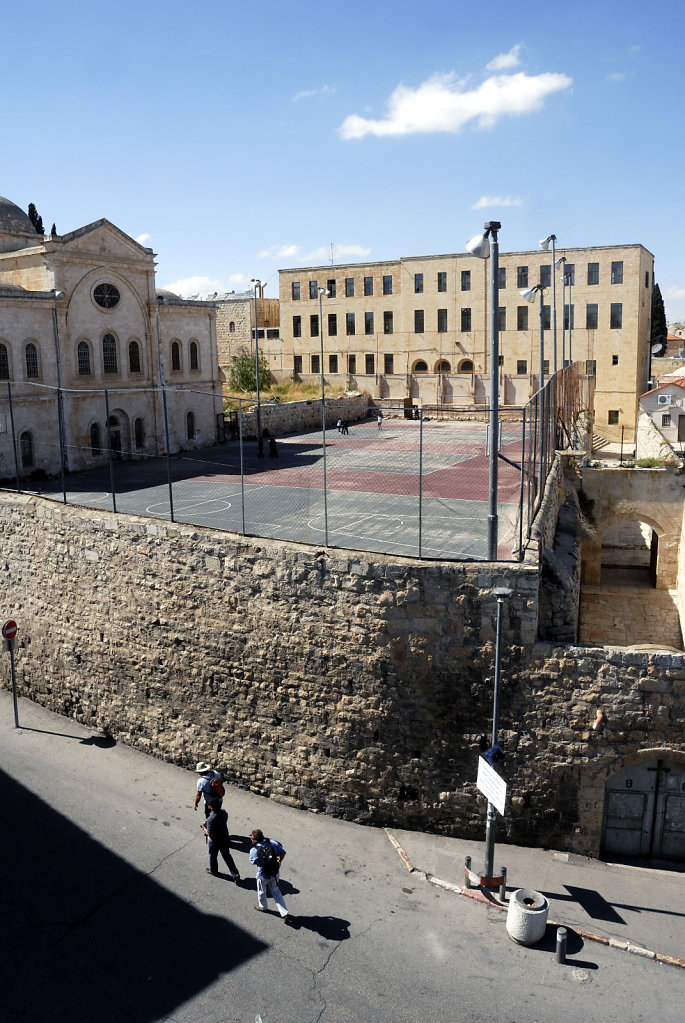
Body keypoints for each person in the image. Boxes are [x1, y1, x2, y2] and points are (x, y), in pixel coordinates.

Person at [250, 828, 294, 925]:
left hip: (263, 875)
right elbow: (283, 852)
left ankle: (263, 906)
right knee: (276, 891)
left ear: (255, 840)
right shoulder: (272, 843)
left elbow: (253, 862)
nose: (251, 839)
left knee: (261, 891)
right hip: (274, 872)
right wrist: (279, 861)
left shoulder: (253, 850)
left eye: (252, 838)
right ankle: (284, 913)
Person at [201, 798, 240, 881]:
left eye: (209, 804)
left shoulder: (212, 819)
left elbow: (209, 833)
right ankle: (235, 874)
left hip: (215, 841)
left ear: (211, 807)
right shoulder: (223, 812)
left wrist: (204, 828)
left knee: (213, 856)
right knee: (227, 856)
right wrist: (208, 821)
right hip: (224, 837)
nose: (208, 805)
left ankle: (214, 871)